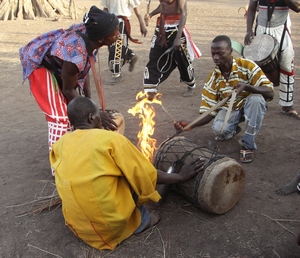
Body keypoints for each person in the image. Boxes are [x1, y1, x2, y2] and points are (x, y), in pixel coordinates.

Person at [50, 96, 205, 250]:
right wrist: (180, 176)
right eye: (99, 116)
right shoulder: (111, 140)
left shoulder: (59, 145)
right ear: (91, 117)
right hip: (110, 227)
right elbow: (144, 173)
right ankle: (143, 220)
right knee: (130, 177)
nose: (101, 120)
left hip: (78, 225)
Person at [19, 6, 119, 174]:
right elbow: (68, 89)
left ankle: (75, 154)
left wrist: (91, 105)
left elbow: (83, 72)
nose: (118, 35)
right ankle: (59, 169)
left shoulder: (90, 38)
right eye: (115, 33)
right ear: (101, 39)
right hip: (41, 67)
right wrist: (95, 112)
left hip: (61, 66)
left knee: (77, 109)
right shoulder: (75, 53)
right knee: (60, 117)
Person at [174, 35, 274, 163]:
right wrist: (191, 125)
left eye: (220, 53)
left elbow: (270, 93)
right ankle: (232, 130)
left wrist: (247, 87)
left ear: (230, 51)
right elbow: (210, 111)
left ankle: (247, 144)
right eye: (213, 54)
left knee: (256, 100)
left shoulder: (247, 65)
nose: (216, 58)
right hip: (232, 109)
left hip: (251, 105)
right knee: (219, 129)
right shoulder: (213, 78)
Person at [244, 0, 300, 119]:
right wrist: (249, 31)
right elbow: (252, 7)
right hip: (261, 30)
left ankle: (287, 104)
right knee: (258, 67)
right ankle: (261, 100)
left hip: (281, 30)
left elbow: (297, 7)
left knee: (286, 65)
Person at [143, 0, 201, 100]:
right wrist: (151, 14)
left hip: (176, 29)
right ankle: (151, 87)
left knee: (182, 60)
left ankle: (191, 85)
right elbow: (163, 5)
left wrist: (178, 37)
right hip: (161, 27)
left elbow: (184, 12)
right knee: (155, 56)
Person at [101, 0, 147, 85]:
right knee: (112, 45)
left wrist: (142, 24)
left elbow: (136, 9)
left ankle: (116, 74)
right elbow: (105, 9)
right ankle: (131, 56)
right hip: (110, 22)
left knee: (117, 47)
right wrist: (102, 23)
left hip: (121, 23)